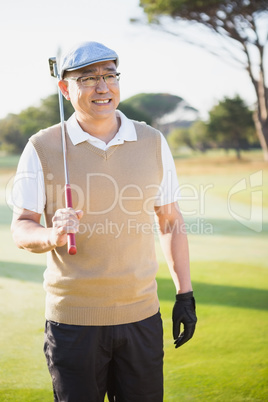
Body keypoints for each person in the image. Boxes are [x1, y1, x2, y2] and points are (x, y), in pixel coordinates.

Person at [10, 41, 197, 402]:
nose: (102, 86)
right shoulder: (43, 147)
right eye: (88, 78)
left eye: (110, 75)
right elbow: (22, 227)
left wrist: (184, 293)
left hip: (141, 316)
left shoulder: (153, 141)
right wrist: (53, 234)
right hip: (73, 323)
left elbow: (170, 221)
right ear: (65, 88)